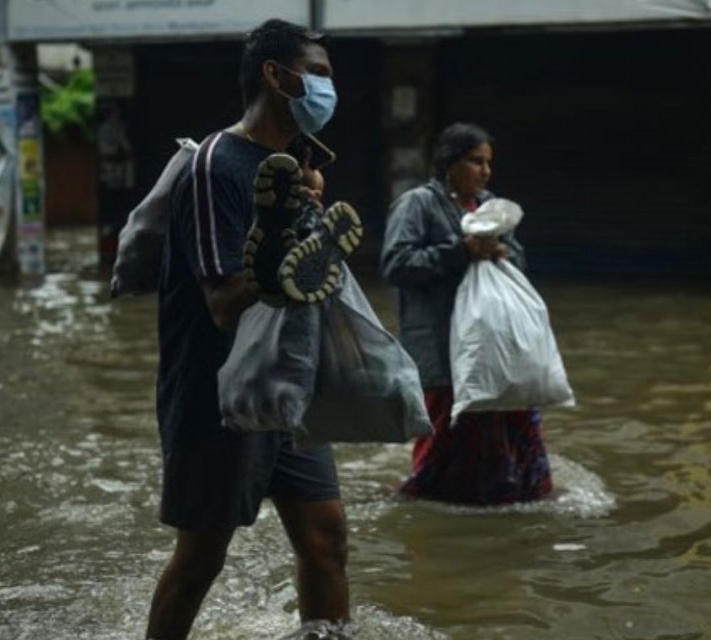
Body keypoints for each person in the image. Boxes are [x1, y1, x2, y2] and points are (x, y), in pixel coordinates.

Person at [146, 19, 349, 639]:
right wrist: (278, 266)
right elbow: (222, 303)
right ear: (275, 74)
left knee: (327, 539)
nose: (325, 89)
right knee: (202, 558)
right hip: (217, 394)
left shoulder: (296, 166)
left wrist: (310, 235)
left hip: (288, 384)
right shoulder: (217, 166)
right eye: (316, 75)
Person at [381, 123, 554, 505]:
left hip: (493, 348)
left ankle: (510, 498)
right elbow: (396, 264)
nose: (485, 171)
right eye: (476, 161)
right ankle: (427, 507)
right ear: (449, 163)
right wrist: (461, 251)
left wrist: (503, 254)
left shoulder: (491, 208)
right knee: (445, 435)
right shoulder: (418, 204)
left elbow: (520, 260)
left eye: (488, 163)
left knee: (511, 425)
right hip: (441, 348)